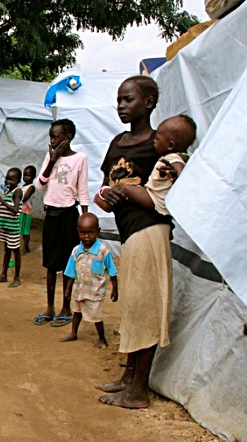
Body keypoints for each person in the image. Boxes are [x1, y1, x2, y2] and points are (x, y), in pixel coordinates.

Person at [93, 75, 173, 409]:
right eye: (119, 101)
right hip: (130, 233)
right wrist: (105, 196)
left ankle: (139, 390)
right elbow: (101, 188)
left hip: (149, 231)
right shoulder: (118, 142)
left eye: (128, 100)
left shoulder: (159, 145)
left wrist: (126, 192)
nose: (121, 106)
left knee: (145, 310)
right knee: (133, 307)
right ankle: (128, 377)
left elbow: (163, 197)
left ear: (149, 102)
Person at [33, 119, 89, 327]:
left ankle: (65, 307)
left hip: (68, 215)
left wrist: (84, 217)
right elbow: (39, 185)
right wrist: (53, 159)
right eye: (50, 137)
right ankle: (49, 307)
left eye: (56, 136)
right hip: (51, 215)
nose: (52, 140)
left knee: (68, 264)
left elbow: (82, 190)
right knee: (50, 263)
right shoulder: (50, 156)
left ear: (68, 138)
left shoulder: (80, 158)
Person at [96, 114, 196, 216]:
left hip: (155, 201)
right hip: (154, 197)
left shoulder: (173, 158)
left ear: (170, 145)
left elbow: (180, 170)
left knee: (126, 188)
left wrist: (178, 178)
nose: (154, 141)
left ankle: (107, 204)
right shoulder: (177, 156)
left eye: (157, 139)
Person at [59, 213, 118, 348]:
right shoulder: (76, 251)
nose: (86, 236)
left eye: (90, 232)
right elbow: (71, 272)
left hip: (95, 291)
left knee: (97, 316)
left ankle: (102, 338)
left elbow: (112, 271)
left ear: (98, 231)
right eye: (83, 233)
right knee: (77, 312)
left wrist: (115, 288)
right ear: (78, 232)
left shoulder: (103, 251)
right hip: (79, 289)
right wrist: (67, 289)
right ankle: (73, 333)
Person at [0, 167, 23, 288]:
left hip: (13, 228)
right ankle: (3, 275)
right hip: (6, 227)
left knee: (16, 251)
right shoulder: (8, 191)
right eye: (7, 178)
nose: (8, 181)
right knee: (7, 250)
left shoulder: (18, 191)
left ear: (18, 180)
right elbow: (4, 207)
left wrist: (0, 200)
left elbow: (15, 210)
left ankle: (17, 278)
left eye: (12, 179)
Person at [20, 165, 37, 253]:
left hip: (26, 212)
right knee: (22, 230)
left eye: (28, 175)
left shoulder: (31, 187)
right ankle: (25, 247)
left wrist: (16, 197)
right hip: (21, 211)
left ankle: (26, 248)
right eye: (24, 175)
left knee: (25, 231)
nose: (25, 177)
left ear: (34, 176)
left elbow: (24, 198)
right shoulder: (22, 186)